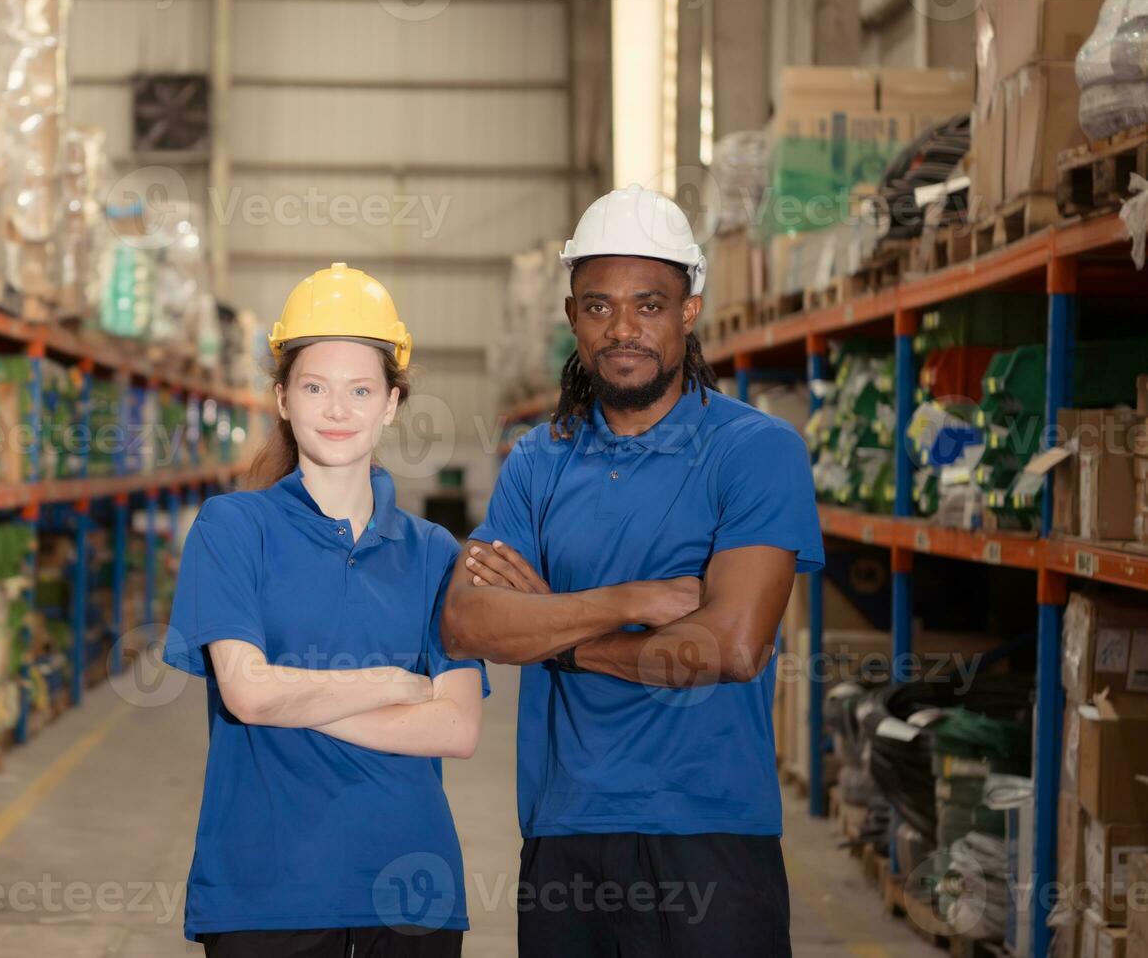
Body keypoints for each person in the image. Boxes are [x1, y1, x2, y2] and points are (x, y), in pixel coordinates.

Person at [440, 185, 825, 957]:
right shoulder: (537, 462)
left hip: (711, 832)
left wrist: (560, 636)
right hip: (565, 828)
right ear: (572, 316)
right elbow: (467, 621)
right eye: (598, 305)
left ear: (690, 310)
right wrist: (630, 601)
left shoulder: (755, 450)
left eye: (649, 305)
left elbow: (731, 648)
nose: (622, 328)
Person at [162, 263, 489, 958]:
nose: (337, 411)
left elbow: (457, 726)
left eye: (361, 390)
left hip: (411, 889)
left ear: (391, 404)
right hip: (264, 891)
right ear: (282, 397)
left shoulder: (434, 553)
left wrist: (296, 694)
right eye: (315, 387)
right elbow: (247, 695)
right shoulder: (232, 528)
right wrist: (394, 684)